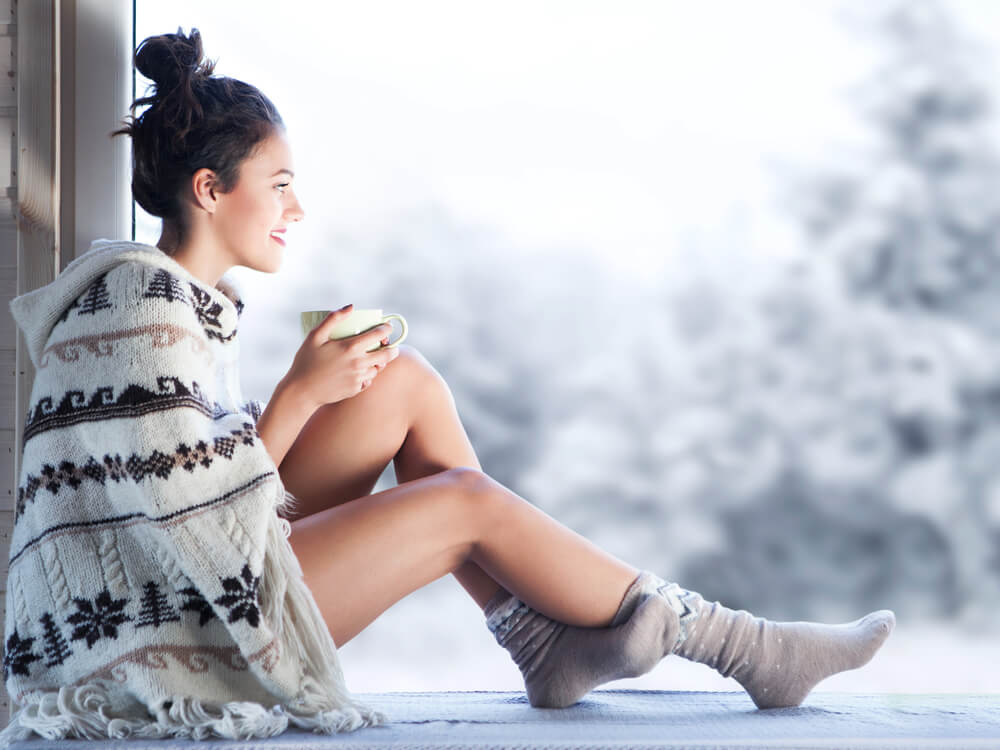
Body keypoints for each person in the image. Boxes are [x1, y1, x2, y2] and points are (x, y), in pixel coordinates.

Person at [1, 28, 895, 743]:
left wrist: (320, 386)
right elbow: (174, 531)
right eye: (278, 185)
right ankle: (750, 648)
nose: (296, 209)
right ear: (209, 189)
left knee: (402, 384)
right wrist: (300, 396)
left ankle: (538, 643)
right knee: (463, 502)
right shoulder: (134, 308)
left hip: (198, 579)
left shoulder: (172, 300)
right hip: (163, 638)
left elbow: (184, 481)